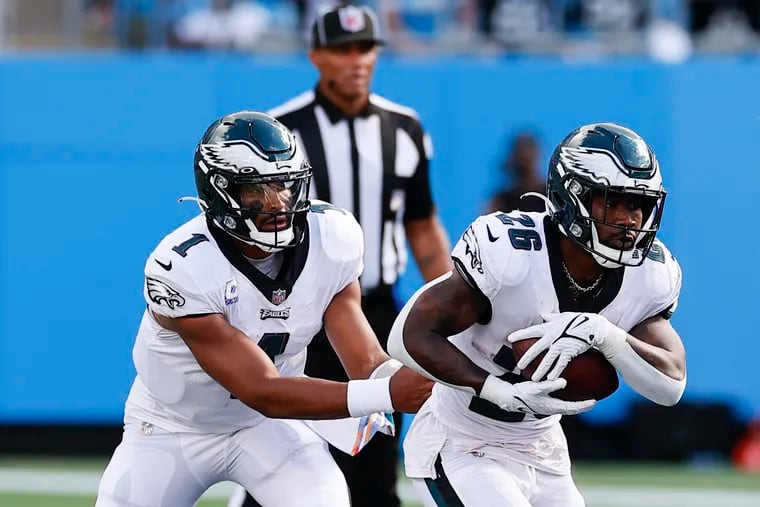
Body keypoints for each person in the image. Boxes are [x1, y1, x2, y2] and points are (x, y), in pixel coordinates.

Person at [94, 110, 432, 507]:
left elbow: (365, 359)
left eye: (284, 184)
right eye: (257, 189)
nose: (277, 202)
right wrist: (386, 393)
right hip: (172, 426)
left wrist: (405, 380)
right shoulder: (182, 266)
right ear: (221, 191)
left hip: (266, 428)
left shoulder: (333, 237)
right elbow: (262, 389)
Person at [388, 122, 687, 506]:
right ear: (573, 196)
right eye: (613, 202)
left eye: (638, 205)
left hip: (542, 448)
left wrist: (607, 335)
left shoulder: (649, 275)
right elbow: (407, 336)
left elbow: (670, 386)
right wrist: (498, 390)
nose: (630, 220)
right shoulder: (512, 253)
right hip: (463, 440)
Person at [232, 5, 452, 507]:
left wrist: (451, 307)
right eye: (342, 49)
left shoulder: (405, 128)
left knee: (373, 467)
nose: (356, 60)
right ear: (316, 56)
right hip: (299, 311)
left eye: (365, 48)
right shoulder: (282, 131)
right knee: (284, 454)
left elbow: (421, 225)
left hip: (375, 313)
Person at [486, 130, 546, 213]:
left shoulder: (550, 194)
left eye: (529, 154)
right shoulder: (501, 200)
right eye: (522, 154)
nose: (525, 157)